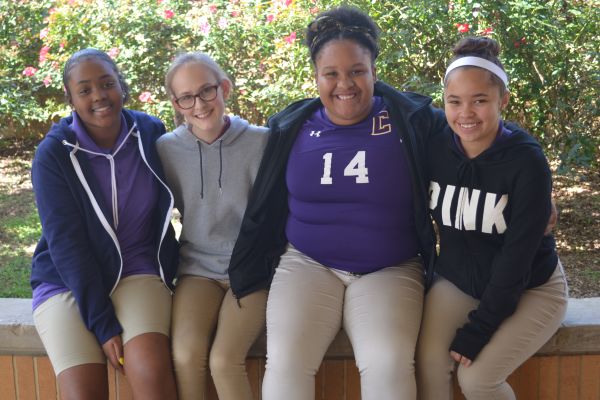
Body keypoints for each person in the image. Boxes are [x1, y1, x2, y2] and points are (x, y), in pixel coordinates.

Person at [229, 6, 446, 400]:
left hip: (390, 267)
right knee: (286, 360)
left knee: (389, 362)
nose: (344, 84)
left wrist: (528, 191)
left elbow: (476, 139)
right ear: (316, 77)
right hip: (306, 263)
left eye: (357, 71)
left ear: (374, 72)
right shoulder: (290, 127)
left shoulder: (412, 120)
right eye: (331, 73)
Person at [416, 37, 568, 400]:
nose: (466, 112)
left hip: (531, 287)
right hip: (459, 280)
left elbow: (517, 259)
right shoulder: (435, 147)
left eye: (480, 100)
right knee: (427, 363)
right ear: (445, 103)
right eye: (455, 101)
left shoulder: (526, 161)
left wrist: (480, 328)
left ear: (503, 100)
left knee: (478, 379)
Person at [30, 48, 178, 400]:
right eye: (84, 90)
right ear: (70, 98)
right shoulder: (53, 155)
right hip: (67, 280)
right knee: (83, 393)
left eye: (106, 84)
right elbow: (66, 245)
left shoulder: (149, 131)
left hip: (136, 268)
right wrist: (102, 323)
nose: (98, 96)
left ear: (121, 87)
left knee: (150, 374)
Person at [157, 52, 269, 400]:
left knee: (224, 360)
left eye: (206, 91)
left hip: (251, 272)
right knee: (186, 355)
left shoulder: (261, 142)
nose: (199, 104)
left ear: (225, 88)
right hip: (198, 271)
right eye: (186, 97)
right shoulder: (166, 150)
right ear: (176, 103)